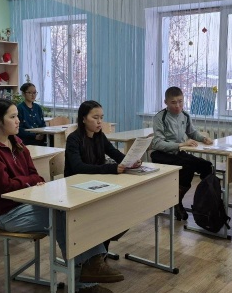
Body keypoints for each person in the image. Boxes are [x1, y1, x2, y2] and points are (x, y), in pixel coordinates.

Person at [0, 99, 123, 293]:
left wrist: (26, 181)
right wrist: (28, 181)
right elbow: (5, 187)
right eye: (13, 117)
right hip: (9, 213)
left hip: (28, 202)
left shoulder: (17, 143)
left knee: (74, 213)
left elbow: (35, 175)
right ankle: (84, 281)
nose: (18, 121)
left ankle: (91, 267)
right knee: (64, 218)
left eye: (17, 116)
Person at [64, 100, 141, 250]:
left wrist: (130, 161)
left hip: (96, 182)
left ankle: (101, 249)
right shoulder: (74, 138)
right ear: (83, 118)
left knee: (120, 211)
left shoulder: (99, 136)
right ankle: (97, 251)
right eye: (95, 118)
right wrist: (111, 168)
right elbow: (78, 167)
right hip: (76, 186)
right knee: (106, 214)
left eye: (101, 117)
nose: (99, 122)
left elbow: (114, 153)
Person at [150, 86, 213, 221]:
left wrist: (203, 139)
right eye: (173, 102)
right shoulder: (160, 117)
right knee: (187, 167)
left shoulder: (185, 115)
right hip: (161, 154)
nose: (178, 106)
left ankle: (205, 202)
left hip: (178, 152)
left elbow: (192, 132)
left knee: (206, 166)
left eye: (180, 101)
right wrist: (181, 144)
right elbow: (157, 143)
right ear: (166, 102)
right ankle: (176, 202)